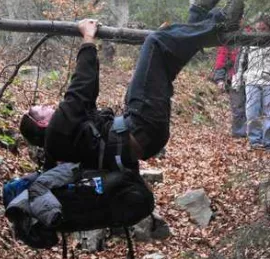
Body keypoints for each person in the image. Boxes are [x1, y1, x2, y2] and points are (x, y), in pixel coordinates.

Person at [20, 0, 244, 171]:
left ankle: (200, 14)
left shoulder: (62, 140)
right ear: (41, 123)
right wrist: (87, 39)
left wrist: (90, 49)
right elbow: (81, 87)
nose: (48, 106)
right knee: (155, 42)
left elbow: (87, 95)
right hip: (140, 126)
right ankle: (219, 21)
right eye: (42, 109)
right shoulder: (57, 129)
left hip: (142, 132)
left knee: (165, 58)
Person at [236, 14, 270, 149]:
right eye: (258, 29)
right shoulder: (249, 41)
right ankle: (255, 140)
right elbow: (241, 62)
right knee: (251, 112)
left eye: (264, 29)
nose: (260, 31)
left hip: (268, 81)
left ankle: (268, 142)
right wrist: (237, 80)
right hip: (251, 80)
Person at [213, 42, 247, 138]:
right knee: (238, 107)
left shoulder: (251, 35)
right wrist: (220, 79)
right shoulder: (228, 42)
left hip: (253, 78)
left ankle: (253, 133)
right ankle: (239, 134)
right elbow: (221, 61)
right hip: (234, 78)